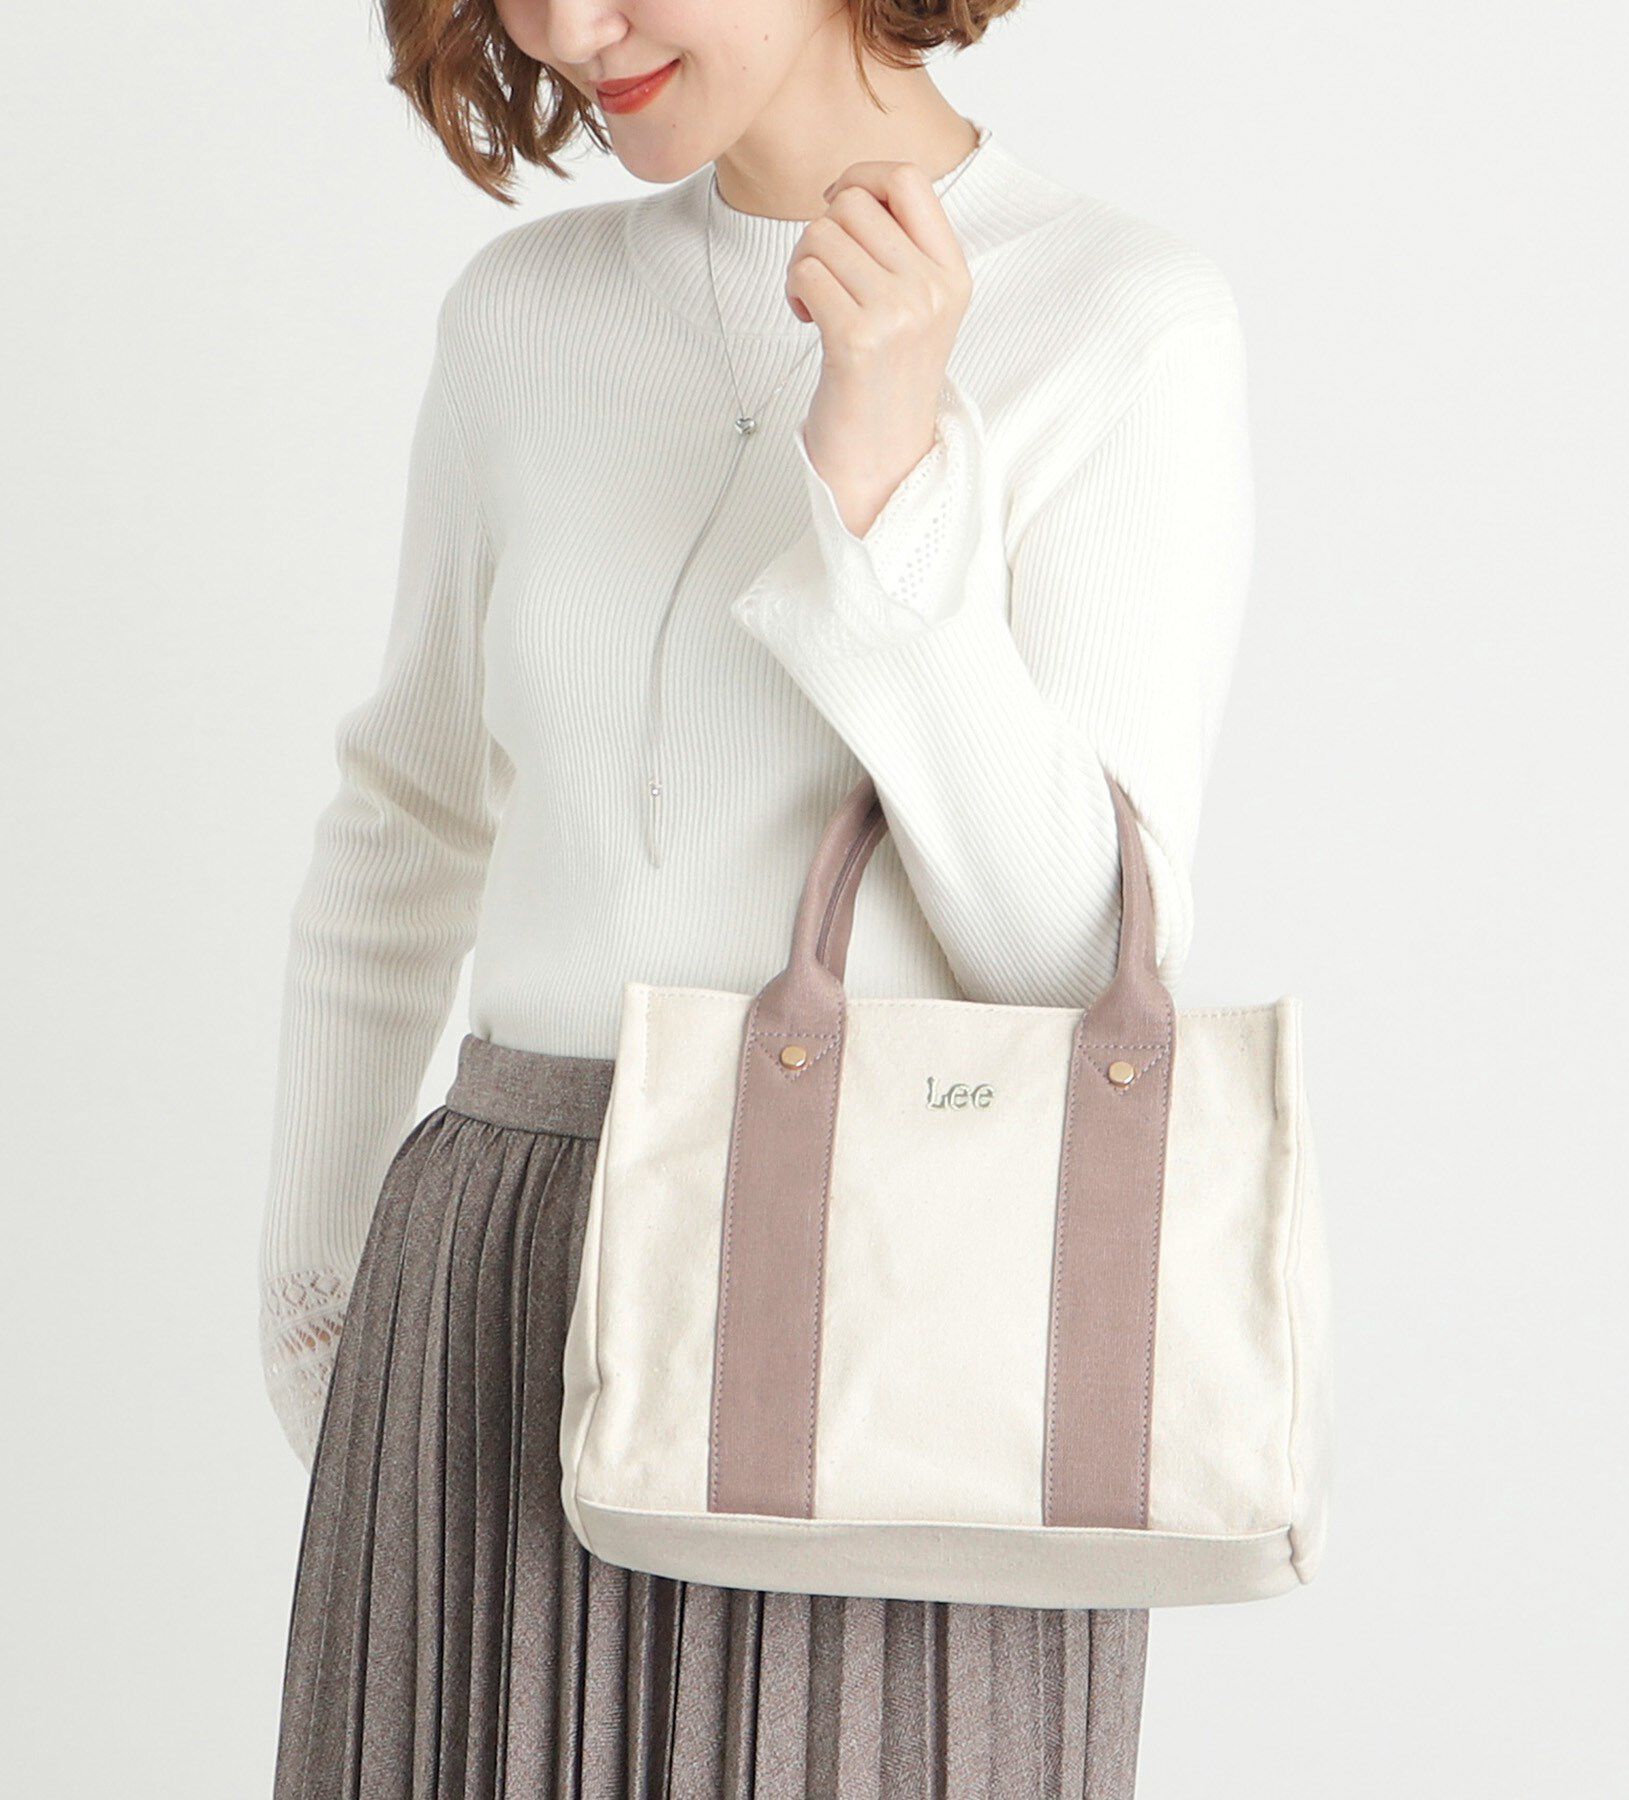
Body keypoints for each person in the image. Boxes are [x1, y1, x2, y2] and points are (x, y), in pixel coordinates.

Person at [259, 1, 1254, 1792]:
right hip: (496, 1287)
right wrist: (323, 1302)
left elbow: (1078, 957)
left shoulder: (1121, 315)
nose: (562, 27)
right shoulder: (523, 317)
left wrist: (886, 497)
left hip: (894, 1334)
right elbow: (406, 817)